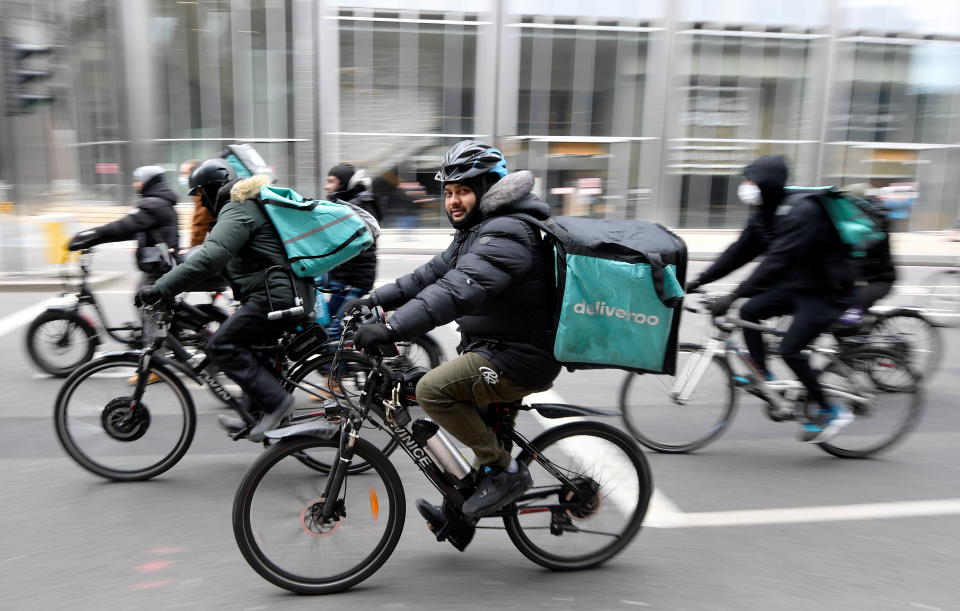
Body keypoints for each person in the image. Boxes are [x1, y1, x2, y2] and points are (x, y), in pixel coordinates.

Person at [348, 140, 558, 531]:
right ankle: (461, 516)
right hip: (497, 349)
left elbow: (456, 290)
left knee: (432, 390)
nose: (453, 201)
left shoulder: (508, 233)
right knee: (483, 427)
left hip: (520, 358)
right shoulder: (477, 231)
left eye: (463, 191)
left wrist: (393, 326)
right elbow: (427, 277)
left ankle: (507, 472)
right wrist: (373, 300)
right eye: (447, 193)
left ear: (488, 191)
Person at [136, 160, 315, 442]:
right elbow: (222, 268)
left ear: (210, 190)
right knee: (253, 349)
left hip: (276, 296)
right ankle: (253, 414)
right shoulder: (243, 207)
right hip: (281, 292)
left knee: (221, 344)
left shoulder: (237, 208)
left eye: (199, 195)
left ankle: (277, 403)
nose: (200, 204)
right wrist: (178, 282)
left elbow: (211, 257)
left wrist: (160, 289)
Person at [687, 155, 857, 443]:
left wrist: (731, 296)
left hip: (827, 291)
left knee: (791, 349)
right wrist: (698, 281)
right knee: (750, 311)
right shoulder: (765, 212)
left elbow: (774, 264)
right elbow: (738, 252)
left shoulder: (802, 212)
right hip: (797, 285)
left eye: (750, 180)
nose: (745, 186)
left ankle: (831, 411)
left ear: (766, 183)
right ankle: (763, 375)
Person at [67, 165, 180, 285]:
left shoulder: (154, 205)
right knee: (145, 300)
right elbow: (128, 232)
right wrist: (93, 241)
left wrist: (88, 235)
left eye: (137, 181)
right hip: (159, 267)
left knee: (147, 300)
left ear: (148, 182)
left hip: (158, 269)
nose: (134, 185)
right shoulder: (159, 202)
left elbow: (122, 227)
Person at [321, 164, 383, 338]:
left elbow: (360, 248)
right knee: (324, 324)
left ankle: (341, 364)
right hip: (343, 281)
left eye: (331, 182)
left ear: (344, 185)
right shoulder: (347, 207)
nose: (327, 186)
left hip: (355, 283)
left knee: (335, 332)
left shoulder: (360, 209)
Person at [834, 184, 897, 326]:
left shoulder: (876, 221)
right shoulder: (855, 219)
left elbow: (866, 245)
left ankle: (863, 341)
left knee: (852, 308)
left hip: (878, 279)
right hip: (861, 277)